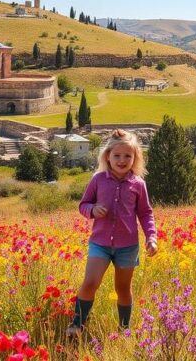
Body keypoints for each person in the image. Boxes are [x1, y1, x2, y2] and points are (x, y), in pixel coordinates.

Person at [68, 129, 157, 338]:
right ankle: (77, 324)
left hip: (128, 247)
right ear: (107, 156)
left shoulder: (138, 184)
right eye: (117, 155)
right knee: (90, 283)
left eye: (128, 155)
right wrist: (92, 210)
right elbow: (83, 204)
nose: (122, 160)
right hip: (100, 244)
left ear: (135, 157)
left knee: (123, 288)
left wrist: (151, 237)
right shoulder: (98, 180)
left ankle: (124, 328)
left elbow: (145, 213)